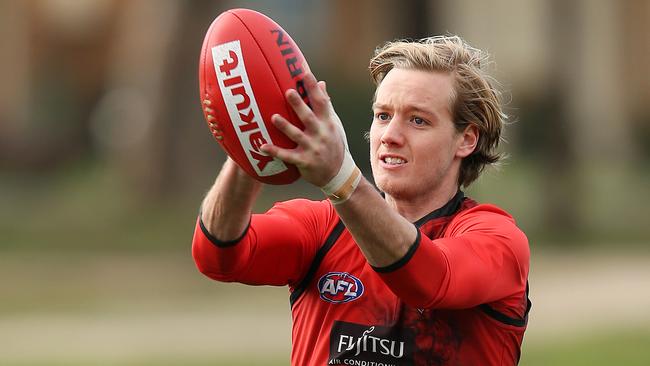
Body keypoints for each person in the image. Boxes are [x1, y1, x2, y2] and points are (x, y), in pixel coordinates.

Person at [192, 35, 531, 365]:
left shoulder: (497, 239)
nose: (390, 136)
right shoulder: (322, 227)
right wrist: (253, 141)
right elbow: (219, 256)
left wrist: (340, 177)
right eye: (383, 116)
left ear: (466, 140)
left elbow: (429, 279)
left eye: (418, 120)